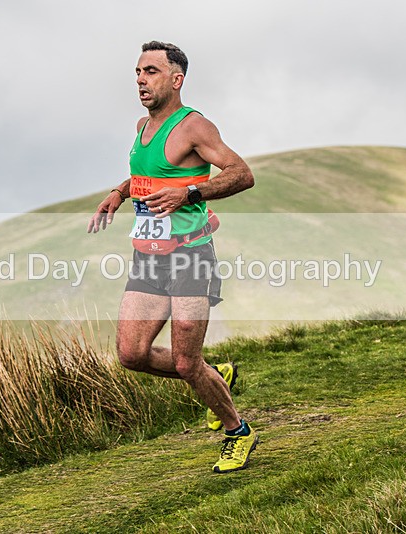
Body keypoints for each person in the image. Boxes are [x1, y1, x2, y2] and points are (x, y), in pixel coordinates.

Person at [87, 41, 256, 473]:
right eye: (138, 72)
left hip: (190, 257)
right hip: (148, 258)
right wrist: (119, 192)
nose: (141, 80)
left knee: (185, 361)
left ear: (177, 80)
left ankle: (238, 432)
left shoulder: (195, 127)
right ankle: (214, 373)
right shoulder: (142, 127)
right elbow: (147, 176)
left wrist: (190, 194)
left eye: (151, 72)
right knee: (131, 354)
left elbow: (242, 174)